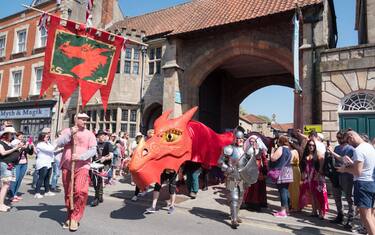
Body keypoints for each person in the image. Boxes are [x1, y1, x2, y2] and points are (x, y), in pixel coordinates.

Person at [55, 113, 97, 231]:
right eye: (82, 119)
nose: (85, 121)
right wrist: (70, 133)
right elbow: (59, 143)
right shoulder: (67, 131)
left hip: (83, 166)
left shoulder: (89, 134)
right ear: (75, 119)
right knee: (69, 193)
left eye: (86, 119)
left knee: (80, 191)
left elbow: (93, 150)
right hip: (67, 166)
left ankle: (75, 217)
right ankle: (69, 216)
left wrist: (81, 157)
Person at [336, 131, 375, 235]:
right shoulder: (369, 146)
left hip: (362, 184)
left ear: (351, 137)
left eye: (348, 141)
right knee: (370, 214)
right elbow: (366, 166)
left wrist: (345, 169)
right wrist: (352, 164)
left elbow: (358, 171)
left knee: (365, 216)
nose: (349, 144)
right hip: (371, 182)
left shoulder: (358, 150)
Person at [217, 130, 247, 229]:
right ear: (234, 138)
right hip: (231, 177)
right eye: (238, 138)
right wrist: (227, 168)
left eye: (241, 138)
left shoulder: (247, 150)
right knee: (234, 198)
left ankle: (235, 215)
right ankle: (233, 220)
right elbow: (220, 161)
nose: (240, 140)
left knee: (240, 198)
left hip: (242, 177)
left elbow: (251, 163)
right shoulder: (228, 149)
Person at [326, 131, 355, 226]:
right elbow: (333, 160)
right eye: (337, 137)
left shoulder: (351, 149)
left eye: (340, 137)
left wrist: (332, 153)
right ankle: (340, 215)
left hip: (347, 175)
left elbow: (344, 160)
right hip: (336, 174)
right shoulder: (337, 148)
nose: (339, 140)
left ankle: (351, 218)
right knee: (337, 196)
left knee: (349, 197)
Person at [299, 139, 329, 219]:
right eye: (309, 145)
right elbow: (303, 166)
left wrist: (318, 174)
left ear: (315, 146)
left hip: (317, 177)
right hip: (309, 177)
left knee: (320, 195)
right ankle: (314, 211)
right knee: (312, 194)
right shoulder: (306, 154)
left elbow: (322, 167)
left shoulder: (318, 154)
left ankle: (321, 212)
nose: (311, 147)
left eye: (313, 145)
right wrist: (303, 174)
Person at [0, 127, 23, 212]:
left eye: (13, 134)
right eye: (11, 134)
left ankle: (1, 203)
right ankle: (0, 204)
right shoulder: (1, 143)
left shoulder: (9, 143)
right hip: (4, 164)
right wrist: (15, 148)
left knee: (5, 185)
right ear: (6, 134)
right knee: (5, 185)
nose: (12, 135)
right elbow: (2, 153)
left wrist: (19, 149)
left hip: (10, 165)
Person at [270, 135, 293, 218]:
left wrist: (272, 152)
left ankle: (283, 211)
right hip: (288, 171)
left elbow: (273, 158)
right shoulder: (289, 150)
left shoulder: (281, 148)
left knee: (282, 191)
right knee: (286, 191)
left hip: (281, 171)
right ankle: (287, 209)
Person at [243, 135, 268, 211]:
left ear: (256, 142)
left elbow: (265, 160)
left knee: (256, 187)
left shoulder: (261, 150)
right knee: (248, 187)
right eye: (250, 141)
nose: (251, 142)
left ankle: (255, 203)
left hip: (258, 169)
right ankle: (246, 202)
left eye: (253, 141)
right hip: (248, 169)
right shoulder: (247, 149)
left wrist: (265, 171)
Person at [9, 131, 34, 202]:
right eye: (20, 136)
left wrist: (30, 146)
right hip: (17, 163)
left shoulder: (23, 142)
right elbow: (16, 152)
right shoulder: (14, 142)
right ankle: (11, 195)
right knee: (15, 180)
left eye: (22, 136)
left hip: (24, 163)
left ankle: (15, 194)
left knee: (19, 180)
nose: (21, 137)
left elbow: (30, 153)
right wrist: (22, 147)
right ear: (17, 136)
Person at [91, 130, 113, 207]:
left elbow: (111, 155)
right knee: (94, 182)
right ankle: (100, 196)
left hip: (104, 165)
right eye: (101, 135)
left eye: (104, 135)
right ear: (97, 137)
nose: (103, 136)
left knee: (99, 181)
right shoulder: (95, 145)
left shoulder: (108, 144)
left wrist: (105, 158)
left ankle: (96, 198)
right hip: (95, 165)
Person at [34, 132, 56, 199]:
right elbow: (50, 150)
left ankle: (47, 191)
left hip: (49, 162)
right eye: (46, 137)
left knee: (47, 178)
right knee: (41, 178)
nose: (48, 138)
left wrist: (60, 149)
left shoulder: (48, 143)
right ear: (42, 137)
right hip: (43, 162)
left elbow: (53, 150)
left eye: (48, 137)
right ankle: (37, 193)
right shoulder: (40, 144)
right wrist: (58, 144)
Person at [288, 141, 301, 212]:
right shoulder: (296, 151)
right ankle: (295, 205)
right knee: (295, 188)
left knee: (293, 189)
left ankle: (294, 206)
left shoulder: (292, 151)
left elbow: (289, 161)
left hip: (293, 170)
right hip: (295, 169)